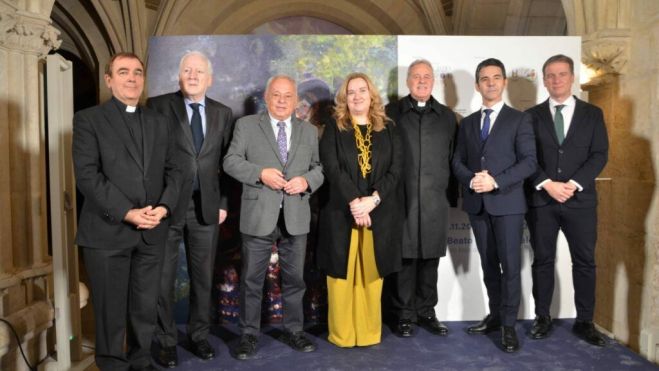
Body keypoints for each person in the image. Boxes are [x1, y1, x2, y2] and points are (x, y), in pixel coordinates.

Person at [72, 52, 182, 370]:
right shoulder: (88, 120)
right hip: (108, 231)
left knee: (145, 306)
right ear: (109, 80)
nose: (131, 78)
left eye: (137, 72)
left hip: (153, 230)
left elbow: (176, 171)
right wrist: (127, 212)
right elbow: (88, 176)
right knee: (110, 309)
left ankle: (141, 360)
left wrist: (163, 207)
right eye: (123, 72)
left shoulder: (160, 122)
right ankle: (112, 364)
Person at [223, 75, 324, 360]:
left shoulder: (308, 131)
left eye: (287, 96)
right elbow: (230, 161)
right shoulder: (246, 126)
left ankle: (294, 331)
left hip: (296, 216)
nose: (282, 101)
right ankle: (248, 336)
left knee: (295, 280)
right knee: (251, 280)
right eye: (276, 95)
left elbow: (318, 168)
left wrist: (306, 181)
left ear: (295, 101)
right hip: (258, 215)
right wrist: (260, 173)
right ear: (266, 99)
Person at [146, 51, 233, 367]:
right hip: (167, 207)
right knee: (163, 277)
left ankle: (199, 337)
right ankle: (166, 341)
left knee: (202, 278)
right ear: (179, 76)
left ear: (209, 78)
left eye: (199, 71)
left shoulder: (223, 113)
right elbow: (149, 159)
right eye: (187, 70)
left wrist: (223, 204)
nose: (193, 75)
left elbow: (228, 163)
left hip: (207, 209)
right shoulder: (157, 107)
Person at [451, 58, 536, 353]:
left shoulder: (520, 119)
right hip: (478, 205)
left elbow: (529, 162)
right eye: (484, 78)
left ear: (504, 82)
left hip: (508, 204)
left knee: (510, 266)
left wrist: (495, 181)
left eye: (496, 77)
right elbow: (457, 161)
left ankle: (509, 326)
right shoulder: (470, 122)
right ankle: (496, 315)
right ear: (477, 85)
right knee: (488, 265)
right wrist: (472, 180)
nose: (490, 82)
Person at [525, 54, 609, 346]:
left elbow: (600, 154)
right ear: (544, 79)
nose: (556, 80)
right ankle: (542, 317)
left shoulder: (593, 113)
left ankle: (585, 321)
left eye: (561, 74)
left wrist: (572, 185)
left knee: (585, 261)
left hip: (580, 202)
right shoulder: (530, 116)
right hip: (543, 202)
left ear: (572, 77)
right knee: (542, 261)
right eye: (550, 75)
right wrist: (547, 184)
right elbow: (526, 157)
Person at [318, 72, 403, 347]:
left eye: (362, 91)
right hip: (342, 212)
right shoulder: (334, 127)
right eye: (351, 92)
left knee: (371, 275)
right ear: (344, 97)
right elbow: (332, 167)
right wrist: (356, 202)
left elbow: (396, 169)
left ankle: (367, 333)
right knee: (341, 276)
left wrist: (373, 200)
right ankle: (342, 335)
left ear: (371, 95)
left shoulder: (388, 127)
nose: (357, 96)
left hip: (379, 213)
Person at [385, 59, 458, 337]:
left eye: (427, 76)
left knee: (430, 258)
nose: (422, 81)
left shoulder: (447, 117)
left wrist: (451, 197)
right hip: (399, 199)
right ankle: (403, 314)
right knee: (404, 258)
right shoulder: (391, 113)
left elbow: (452, 158)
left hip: (434, 200)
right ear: (408, 81)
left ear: (434, 81)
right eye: (416, 76)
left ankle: (427, 311)